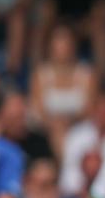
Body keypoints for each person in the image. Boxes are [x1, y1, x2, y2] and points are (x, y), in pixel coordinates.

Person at [29, 24, 97, 160]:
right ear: (50, 46)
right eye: (58, 42)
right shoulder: (40, 74)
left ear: (74, 46)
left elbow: (90, 108)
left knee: (63, 131)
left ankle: (63, 167)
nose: (63, 48)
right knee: (58, 131)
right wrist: (53, 123)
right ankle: (65, 166)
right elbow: (37, 107)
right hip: (45, 128)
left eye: (66, 42)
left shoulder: (87, 74)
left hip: (79, 126)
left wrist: (70, 122)